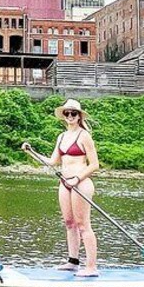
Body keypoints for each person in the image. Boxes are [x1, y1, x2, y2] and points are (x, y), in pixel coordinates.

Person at [45, 99, 100, 277]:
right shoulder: (61, 137)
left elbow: (94, 165)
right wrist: (31, 152)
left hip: (81, 183)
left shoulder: (84, 136)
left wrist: (77, 178)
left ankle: (91, 267)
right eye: (67, 113)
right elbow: (53, 162)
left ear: (79, 116)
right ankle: (73, 262)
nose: (70, 116)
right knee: (69, 223)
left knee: (83, 225)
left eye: (73, 113)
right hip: (64, 183)